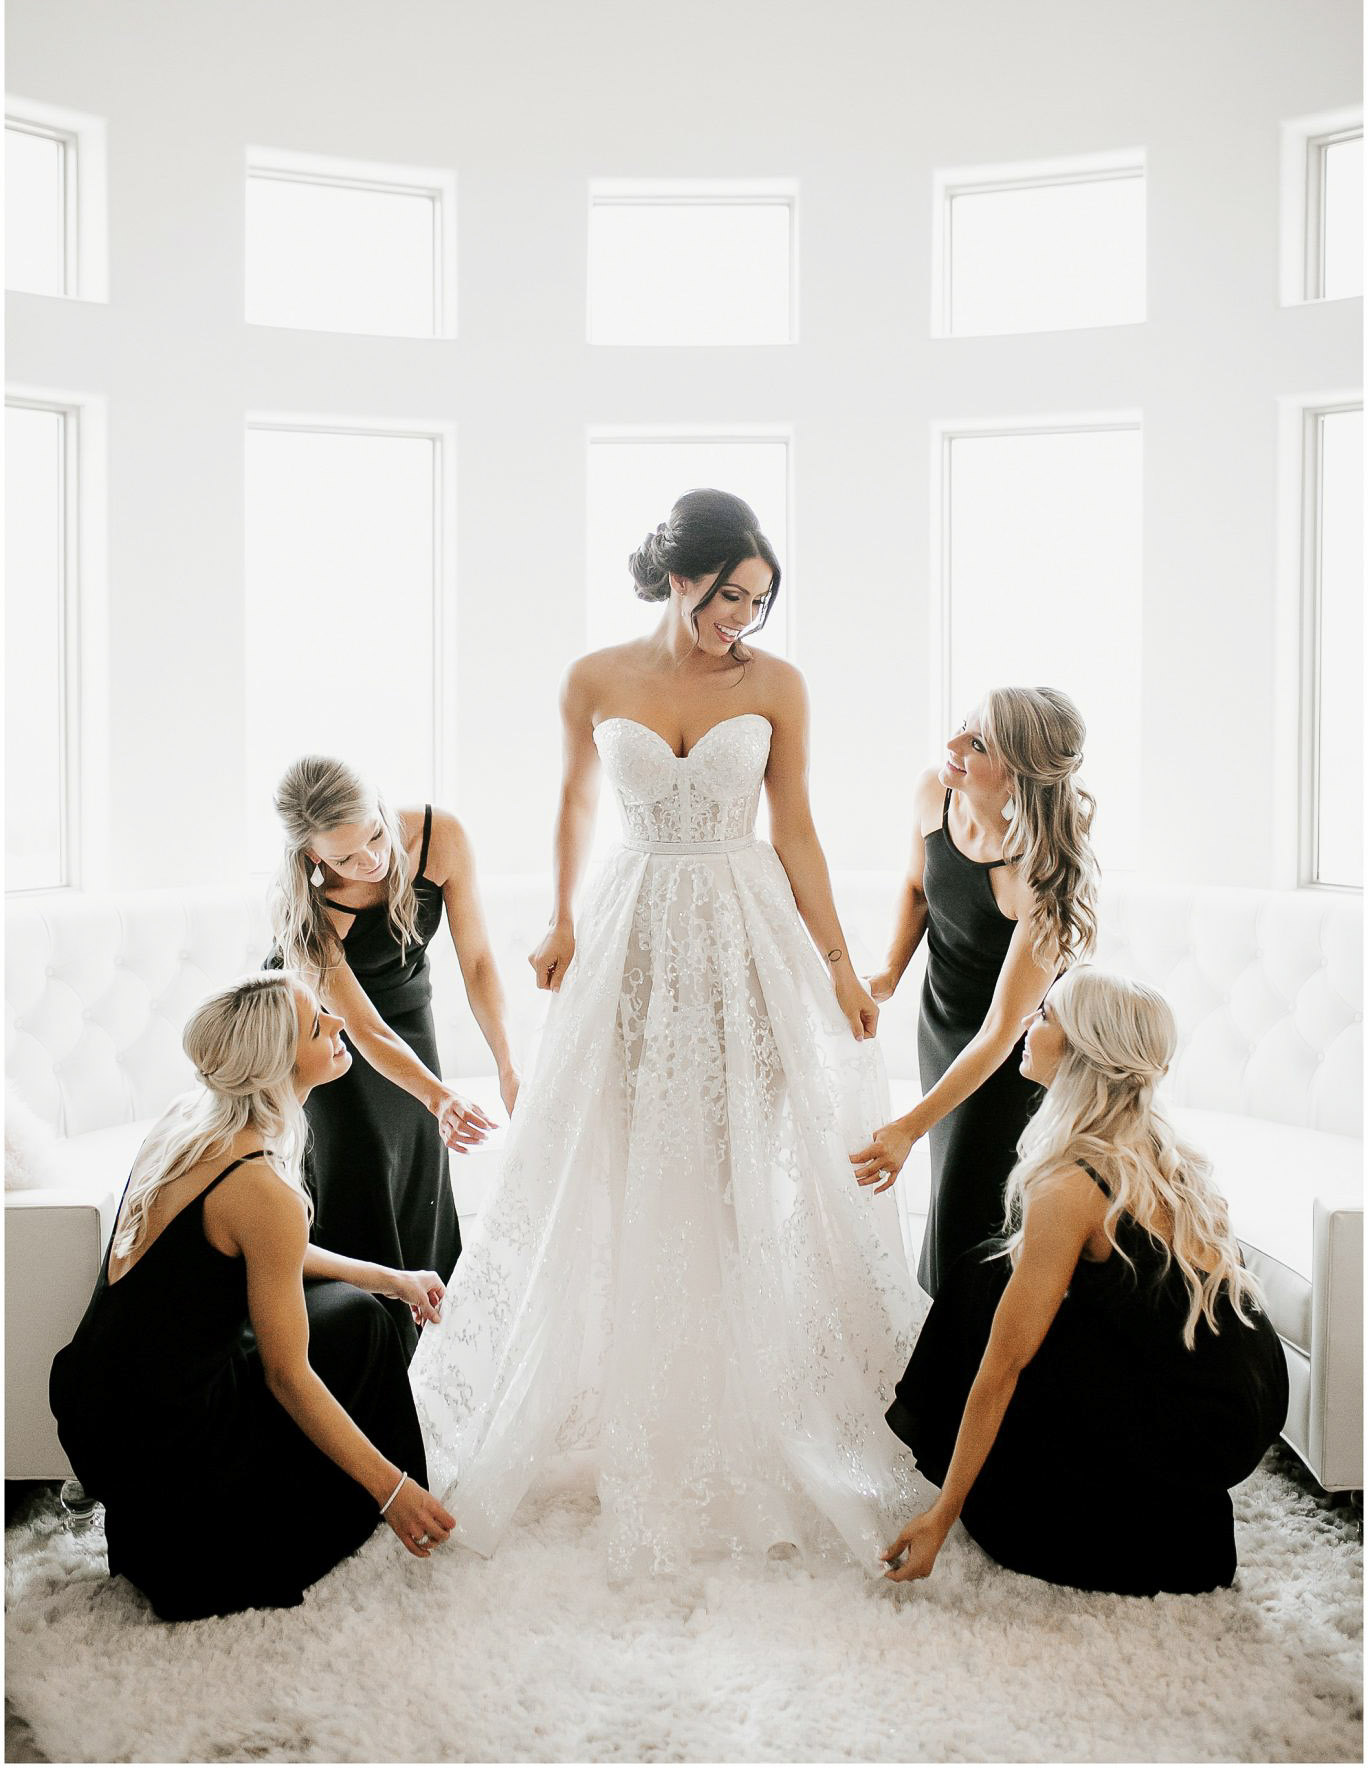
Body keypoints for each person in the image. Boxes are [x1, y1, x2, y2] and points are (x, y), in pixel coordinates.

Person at [411, 489, 921, 1578]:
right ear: (680, 574)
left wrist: (838, 963)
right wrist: (555, 913)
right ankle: (638, 1398)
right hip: (632, 928)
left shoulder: (776, 684)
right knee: (634, 1164)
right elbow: (576, 804)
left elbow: (795, 823)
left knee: (744, 1163)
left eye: (760, 598)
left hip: (746, 933)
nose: (745, 616)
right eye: (731, 592)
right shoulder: (595, 676)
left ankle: (750, 1406)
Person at [49, 972, 456, 1622]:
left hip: (110, 1407)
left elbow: (271, 1251)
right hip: (173, 1440)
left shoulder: (190, 1119)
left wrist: (393, 1278)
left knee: (358, 1311)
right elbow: (287, 1376)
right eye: (319, 1025)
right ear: (277, 1064)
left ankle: (386, 1476)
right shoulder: (259, 1186)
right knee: (362, 1332)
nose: (340, 1025)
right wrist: (389, 1490)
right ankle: (405, 1500)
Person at [881, 966, 1289, 1596]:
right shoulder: (1148, 1142)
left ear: (1080, 1052)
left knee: (981, 1296)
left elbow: (1003, 1364)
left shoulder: (1073, 1179)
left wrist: (946, 1514)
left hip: (1192, 1424)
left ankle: (1074, 1502)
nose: (1026, 1024)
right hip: (1229, 1399)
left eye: (1044, 1015)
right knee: (992, 1267)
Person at [851, 688, 1098, 1295]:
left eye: (977, 742)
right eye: (963, 727)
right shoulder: (936, 792)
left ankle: (971, 1366)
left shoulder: (1048, 881)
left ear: (1018, 777)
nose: (952, 745)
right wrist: (887, 975)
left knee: (971, 1209)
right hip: (941, 1021)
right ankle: (949, 1358)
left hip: (1013, 1061)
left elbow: (1001, 1032)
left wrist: (907, 1125)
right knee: (948, 1195)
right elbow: (917, 889)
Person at [271, 758, 519, 1357]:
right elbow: (363, 1031)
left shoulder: (441, 837)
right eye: (345, 858)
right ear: (313, 860)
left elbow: (480, 963)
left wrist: (508, 1065)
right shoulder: (308, 913)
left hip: (409, 1006)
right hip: (322, 1033)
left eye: (376, 837)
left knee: (421, 1168)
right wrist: (441, 1093)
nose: (372, 862)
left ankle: (436, 1361)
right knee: (358, 1166)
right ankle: (371, 1356)